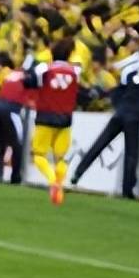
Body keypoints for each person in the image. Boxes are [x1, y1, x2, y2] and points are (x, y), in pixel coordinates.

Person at [70, 44, 139, 198]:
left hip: (121, 111)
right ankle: (127, 190)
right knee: (131, 153)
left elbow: (118, 90)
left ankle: (78, 172)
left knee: (100, 144)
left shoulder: (129, 69)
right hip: (135, 115)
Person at [26, 39, 81, 205]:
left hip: (45, 116)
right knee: (61, 158)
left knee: (39, 155)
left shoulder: (44, 69)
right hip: (65, 118)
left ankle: (53, 181)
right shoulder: (75, 71)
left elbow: (28, 81)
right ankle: (60, 183)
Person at [0, 53, 28, 184]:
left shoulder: (12, 74)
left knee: (1, 141)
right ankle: (15, 177)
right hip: (11, 108)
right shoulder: (28, 77)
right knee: (17, 142)